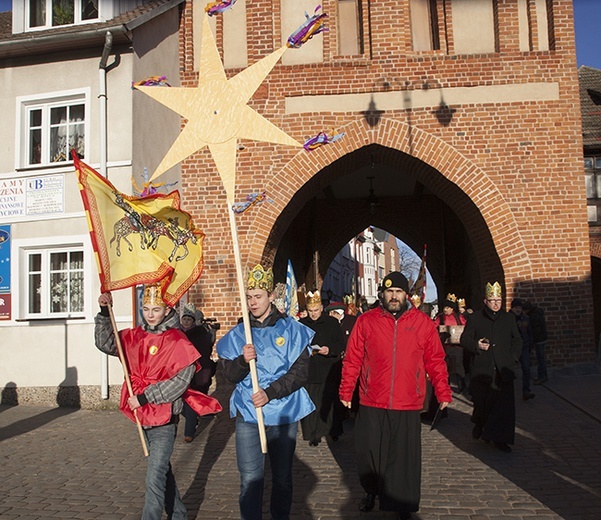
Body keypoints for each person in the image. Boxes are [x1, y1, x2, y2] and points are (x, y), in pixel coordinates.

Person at [94, 284, 221, 520]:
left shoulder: (177, 340)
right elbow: (107, 344)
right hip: (143, 418)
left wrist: (145, 396)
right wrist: (104, 312)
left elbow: (179, 383)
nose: (150, 314)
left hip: (165, 420)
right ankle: (179, 514)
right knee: (162, 472)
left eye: (156, 309)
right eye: (146, 308)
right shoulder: (134, 337)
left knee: (154, 476)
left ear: (166, 310)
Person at [339, 272, 451, 519]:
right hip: (372, 398)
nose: (394, 296)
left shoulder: (422, 323)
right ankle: (371, 491)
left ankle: (402, 503)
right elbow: (353, 358)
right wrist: (346, 389)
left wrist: (443, 391)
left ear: (406, 295)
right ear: (382, 294)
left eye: (398, 291)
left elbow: (435, 359)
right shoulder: (366, 321)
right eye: (389, 291)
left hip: (407, 400)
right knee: (369, 454)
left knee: (403, 458)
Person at [217, 264, 315, 520]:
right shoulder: (240, 333)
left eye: (258, 296)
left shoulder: (292, 330)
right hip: (249, 415)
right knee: (250, 479)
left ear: (271, 297)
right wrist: (241, 360)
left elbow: (300, 373)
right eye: (248, 297)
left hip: (283, 413)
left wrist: (270, 393)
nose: (252, 302)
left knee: (282, 478)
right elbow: (228, 374)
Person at [460, 282, 522, 453]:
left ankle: (500, 439)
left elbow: (517, 340)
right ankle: (480, 423)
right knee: (482, 404)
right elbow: (464, 339)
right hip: (482, 370)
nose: (496, 303)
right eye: (492, 300)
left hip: (503, 370)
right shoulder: (476, 318)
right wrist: (476, 345)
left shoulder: (508, 318)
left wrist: (513, 357)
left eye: (498, 300)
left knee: (503, 407)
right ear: (485, 301)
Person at [300, 293, 345, 445]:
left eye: (316, 310)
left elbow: (340, 344)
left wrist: (329, 349)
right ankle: (314, 434)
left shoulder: (332, 323)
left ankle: (332, 431)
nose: (313, 314)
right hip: (310, 370)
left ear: (321, 308)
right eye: (311, 310)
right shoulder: (302, 324)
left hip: (328, 369)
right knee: (312, 404)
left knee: (329, 403)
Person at [179, 302, 218, 442]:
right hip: (180, 370)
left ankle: (188, 433)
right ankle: (194, 416)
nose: (187, 322)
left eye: (189, 319)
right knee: (180, 401)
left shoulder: (200, 333)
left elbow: (207, 348)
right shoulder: (178, 333)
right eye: (184, 319)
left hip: (198, 370)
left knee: (191, 399)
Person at [433, 293, 467, 393]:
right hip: (445, 346)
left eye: (448, 308)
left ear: (452, 309)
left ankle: (462, 385)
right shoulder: (440, 317)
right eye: (444, 307)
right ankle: (446, 386)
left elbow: (465, 326)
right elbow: (434, 327)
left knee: (459, 367)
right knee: (445, 368)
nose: (445, 310)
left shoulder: (458, 317)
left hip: (457, 347)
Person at [510, 298, 535, 400]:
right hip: (512, 348)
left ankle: (526, 391)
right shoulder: (508, 319)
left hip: (524, 347)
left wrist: (530, 344)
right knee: (510, 371)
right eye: (516, 308)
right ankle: (508, 393)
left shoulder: (525, 319)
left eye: (520, 307)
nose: (518, 310)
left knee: (526, 369)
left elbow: (529, 332)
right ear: (512, 308)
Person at [523, 300, 549, 384]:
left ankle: (542, 376)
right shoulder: (537, 314)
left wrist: (532, 340)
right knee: (540, 358)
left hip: (539, 339)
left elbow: (535, 331)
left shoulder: (533, 317)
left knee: (540, 358)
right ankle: (542, 375)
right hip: (541, 338)